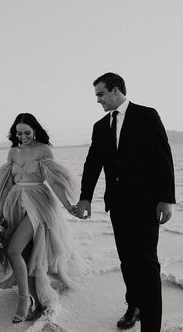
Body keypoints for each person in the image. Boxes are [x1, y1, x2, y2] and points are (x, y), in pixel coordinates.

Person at [75, 72, 175, 332]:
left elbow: (163, 157)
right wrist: (85, 197)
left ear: (116, 90)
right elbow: (92, 164)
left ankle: (150, 327)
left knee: (148, 264)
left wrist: (166, 199)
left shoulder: (147, 115)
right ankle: (135, 306)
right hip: (118, 206)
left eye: (100, 94)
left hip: (146, 204)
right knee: (127, 261)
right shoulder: (100, 126)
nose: (98, 100)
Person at [0, 113, 79, 324]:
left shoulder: (44, 150)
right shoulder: (13, 152)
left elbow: (55, 182)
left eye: (27, 132)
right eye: (18, 133)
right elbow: (7, 186)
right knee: (27, 252)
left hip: (38, 203)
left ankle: (25, 300)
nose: (22, 137)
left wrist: (68, 206)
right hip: (15, 202)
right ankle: (36, 300)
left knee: (14, 250)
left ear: (35, 130)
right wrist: (1, 214)